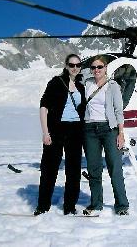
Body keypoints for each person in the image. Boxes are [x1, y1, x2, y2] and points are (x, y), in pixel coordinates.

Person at [34, 54, 86, 216]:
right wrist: (45, 132)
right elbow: (44, 107)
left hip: (75, 130)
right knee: (49, 168)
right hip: (56, 129)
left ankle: (69, 206)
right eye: (72, 65)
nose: (75, 68)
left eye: (78, 65)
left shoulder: (81, 86)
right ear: (66, 66)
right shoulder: (56, 82)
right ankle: (43, 205)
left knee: (74, 169)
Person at [83, 55, 130, 216]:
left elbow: (118, 111)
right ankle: (96, 204)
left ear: (105, 68)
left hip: (109, 129)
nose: (96, 70)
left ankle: (122, 205)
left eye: (99, 67)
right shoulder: (87, 83)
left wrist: (121, 133)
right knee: (93, 168)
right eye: (94, 67)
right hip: (89, 129)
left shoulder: (113, 86)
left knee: (115, 167)